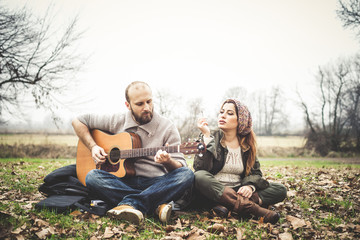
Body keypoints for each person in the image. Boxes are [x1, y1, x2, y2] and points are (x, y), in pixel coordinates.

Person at [72, 81, 194, 225]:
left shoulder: (167, 127)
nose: (147, 107)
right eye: (140, 104)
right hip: (121, 182)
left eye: (149, 101)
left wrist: (168, 161)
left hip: (155, 184)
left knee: (186, 174)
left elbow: (179, 168)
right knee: (92, 176)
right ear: (128, 105)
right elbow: (78, 121)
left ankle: (131, 204)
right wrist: (93, 147)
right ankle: (155, 205)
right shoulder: (117, 120)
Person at [193, 99, 287, 224]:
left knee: (280, 189)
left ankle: (226, 205)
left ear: (240, 120)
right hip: (214, 190)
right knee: (199, 176)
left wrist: (250, 186)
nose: (223, 115)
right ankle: (254, 209)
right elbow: (201, 167)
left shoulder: (246, 145)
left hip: (238, 189)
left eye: (230, 113)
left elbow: (256, 173)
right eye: (221, 112)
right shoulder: (210, 136)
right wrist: (206, 138)